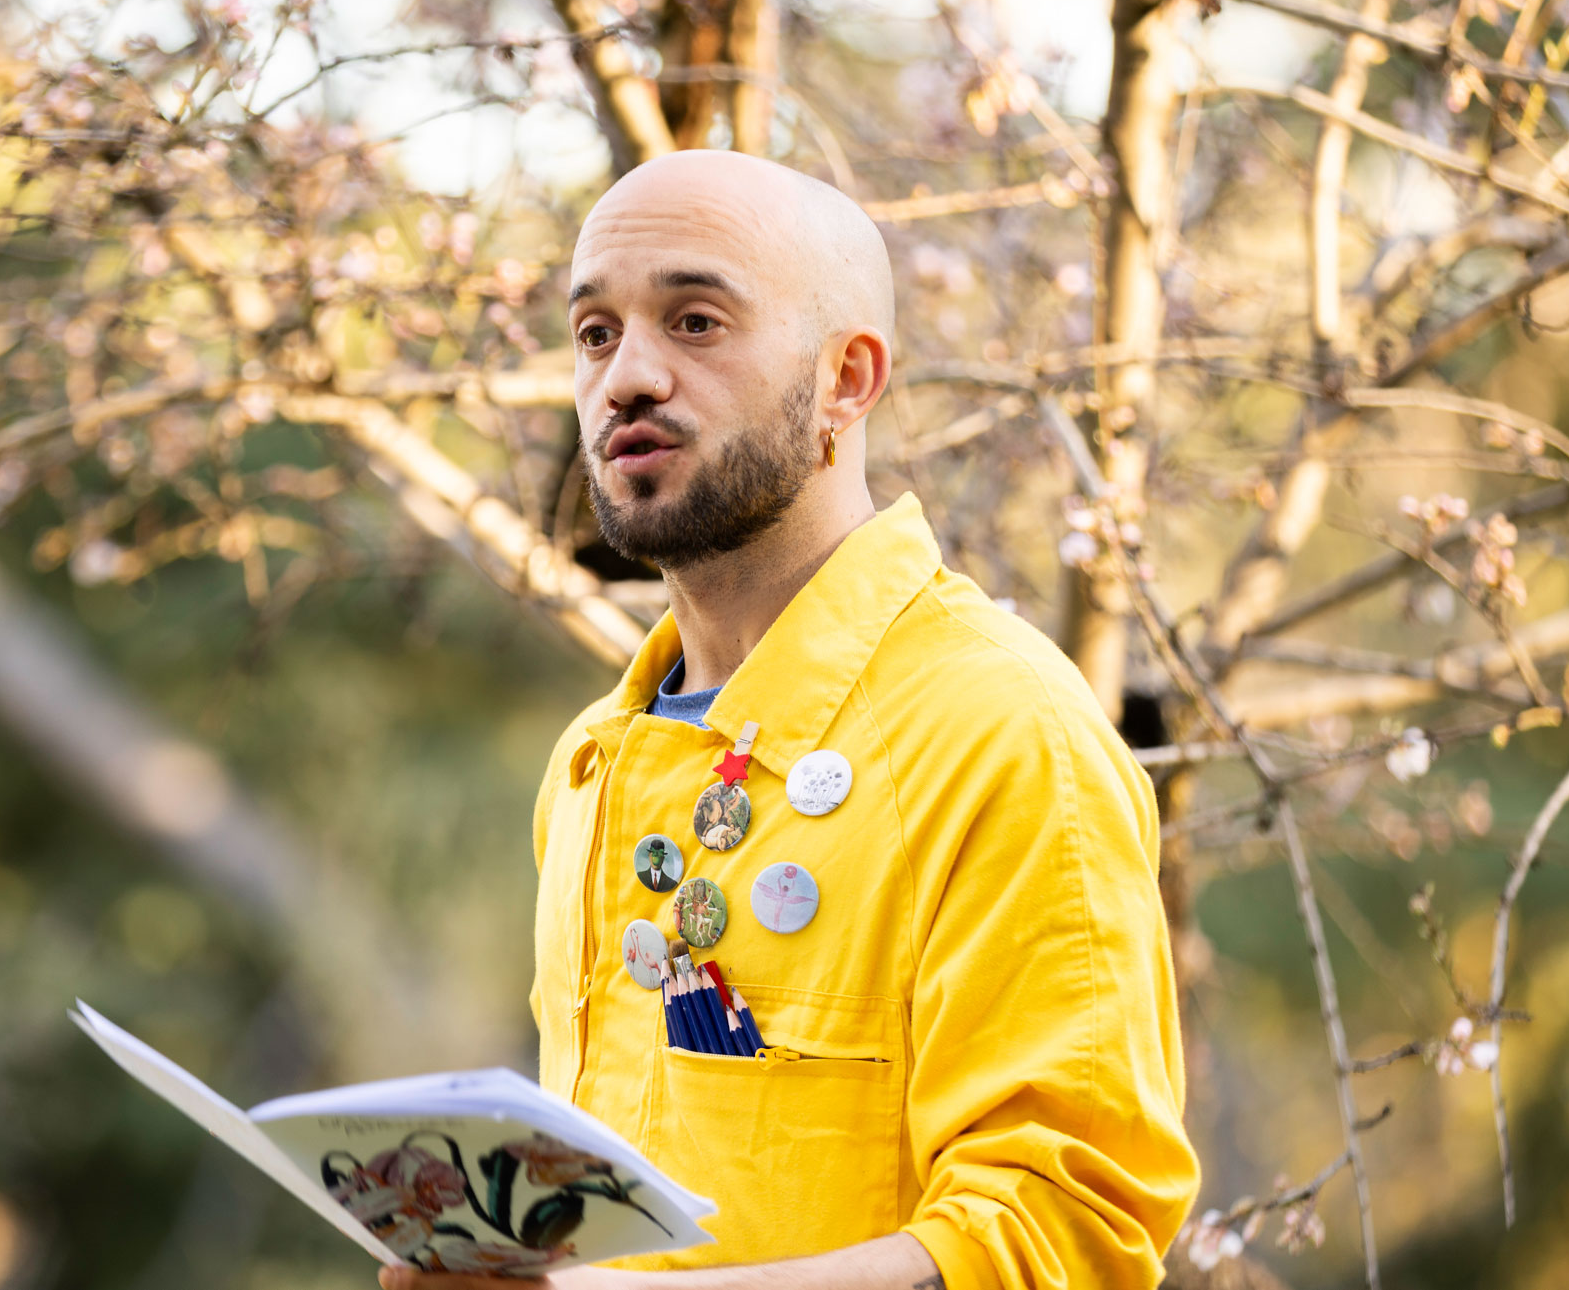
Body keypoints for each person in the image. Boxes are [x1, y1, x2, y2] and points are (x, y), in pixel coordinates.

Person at [381, 151, 1196, 1290]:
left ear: (846, 380)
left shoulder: (1004, 733)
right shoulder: (591, 763)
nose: (626, 378)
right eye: (596, 333)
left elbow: (1063, 1236)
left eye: (696, 320)